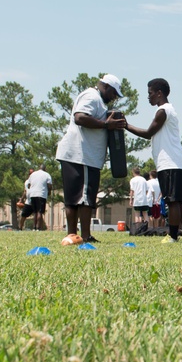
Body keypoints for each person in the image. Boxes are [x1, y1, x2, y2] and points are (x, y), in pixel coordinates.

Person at [55, 74, 126, 245]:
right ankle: (85, 236)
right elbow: (79, 117)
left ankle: (72, 235)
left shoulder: (93, 98)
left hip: (75, 155)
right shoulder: (92, 97)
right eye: (114, 93)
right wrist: (105, 125)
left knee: (73, 199)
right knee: (84, 198)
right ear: (106, 87)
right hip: (82, 156)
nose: (114, 98)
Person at [124, 78, 182, 243]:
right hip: (175, 162)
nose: (148, 97)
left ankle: (172, 236)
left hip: (169, 163)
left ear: (159, 93)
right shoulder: (169, 110)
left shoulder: (163, 111)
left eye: (150, 93)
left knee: (172, 202)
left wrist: (126, 126)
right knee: (177, 203)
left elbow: (149, 133)